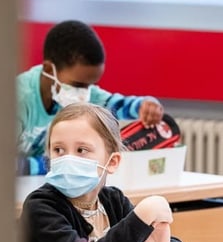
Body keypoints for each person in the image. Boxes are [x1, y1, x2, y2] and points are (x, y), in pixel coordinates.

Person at [19, 102, 189, 242]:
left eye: (81, 150)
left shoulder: (113, 201)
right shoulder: (40, 205)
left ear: (113, 161)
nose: (68, 158)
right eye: (58, 150)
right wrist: (141, 217)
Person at [17, 19, 167, 173]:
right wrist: (60, 162)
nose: (84, 93)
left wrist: (145, 106)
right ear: (49, 70)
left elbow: (117, 105)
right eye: (77, 85)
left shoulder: (77, 89)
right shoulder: (19, 100)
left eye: (90, 85)